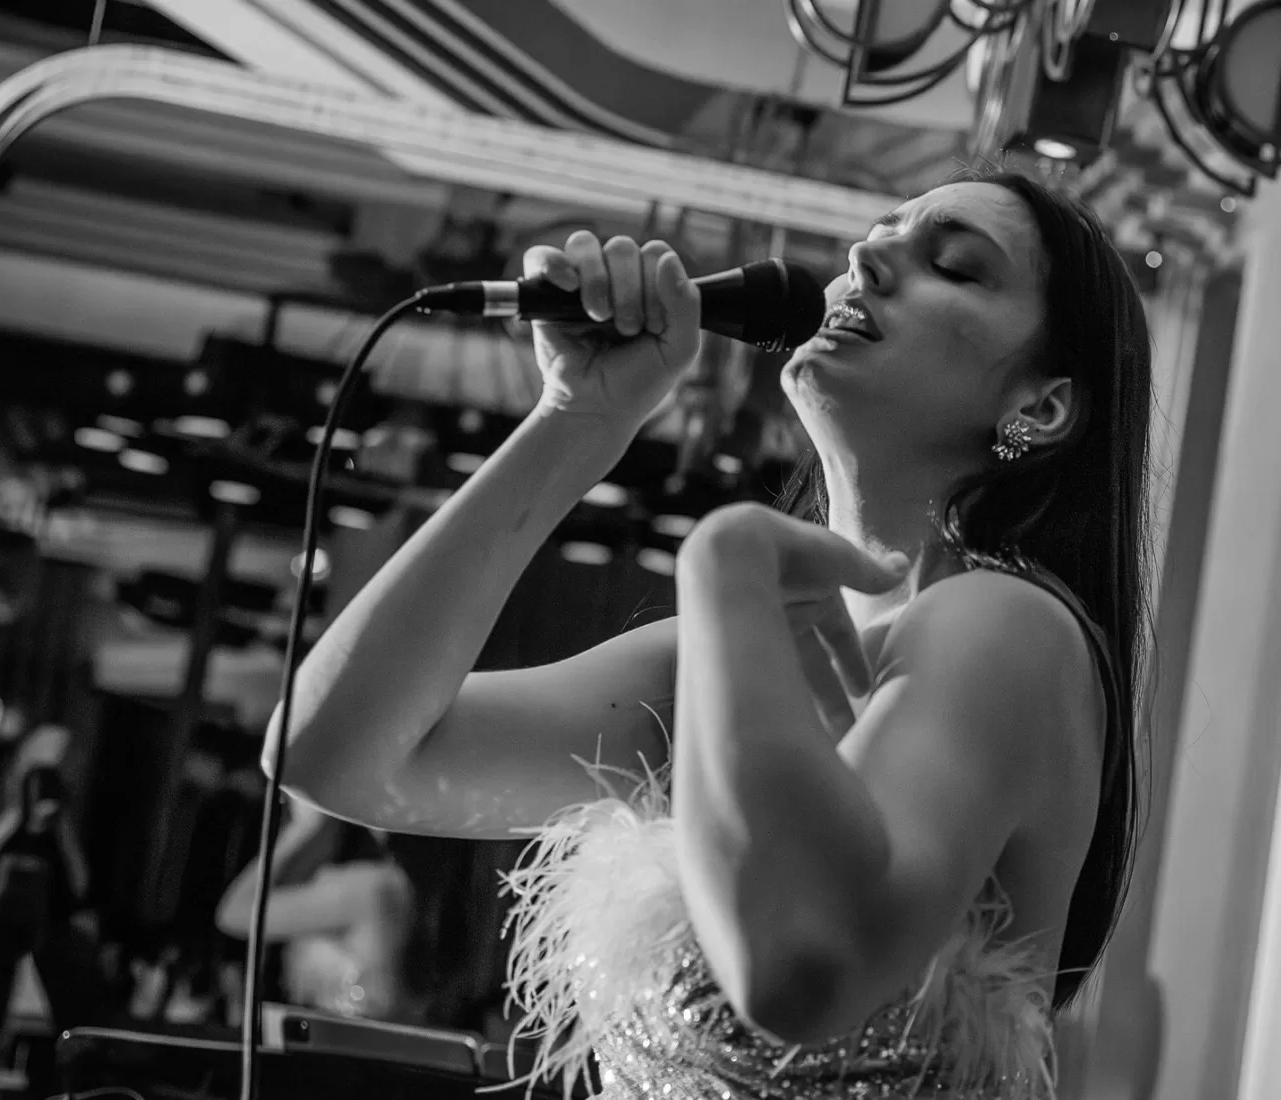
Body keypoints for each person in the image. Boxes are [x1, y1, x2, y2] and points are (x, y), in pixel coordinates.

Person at [268, 169, 1150, 1098]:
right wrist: (576, 419)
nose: (866, 256)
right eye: (879, 232)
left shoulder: (1005, 624)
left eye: (956, 266)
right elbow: (334, 755)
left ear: (1040, 407)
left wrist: (724, 566)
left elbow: (805, 967)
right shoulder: (721, 664)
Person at [214, 797, 421, 1023]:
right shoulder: (400, 883)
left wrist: (300, 829)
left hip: (341, 1038)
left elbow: (234, 914)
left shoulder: (367, 888)